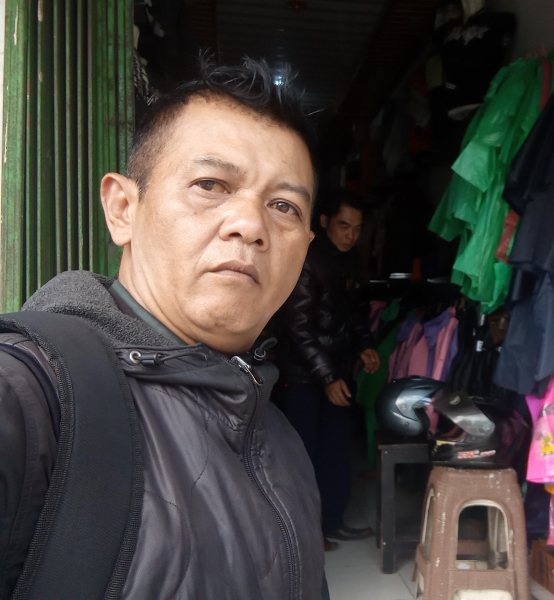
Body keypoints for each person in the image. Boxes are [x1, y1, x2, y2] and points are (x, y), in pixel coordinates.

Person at [0, 58, 327, 599]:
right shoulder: (31, 396)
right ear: (123, 208)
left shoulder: (280, 443)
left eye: (284, 206)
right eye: (210, 184)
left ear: (305, 249)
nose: (251, 225)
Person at [273, 189, 380, 552]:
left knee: (335, 450)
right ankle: (304, 535)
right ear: (324, 222)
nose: (350, 235)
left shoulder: (351, 260)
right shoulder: (307, 260)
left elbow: (355, 311)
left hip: (336, 369)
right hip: (304, 376)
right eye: (344, 226)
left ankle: (332, 521)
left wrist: (365, 344)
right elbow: (298, 329)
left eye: (357, 229)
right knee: (303, 456)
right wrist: (328, 377)